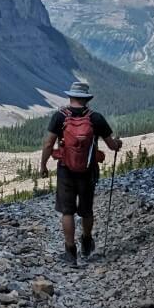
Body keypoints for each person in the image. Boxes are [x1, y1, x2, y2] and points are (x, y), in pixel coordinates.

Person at [39, 80, 122, 265]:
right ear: (86, 99)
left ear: (70, 96)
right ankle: (86, 241)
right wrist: (118, 144)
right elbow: (111, 145)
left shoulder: (59, 116)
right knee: (86, 210)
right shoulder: (96, 118)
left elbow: (48, 144)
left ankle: (70, 252)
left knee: (67, 211)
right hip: (88, 170)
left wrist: (43, 165)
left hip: (65, 170)